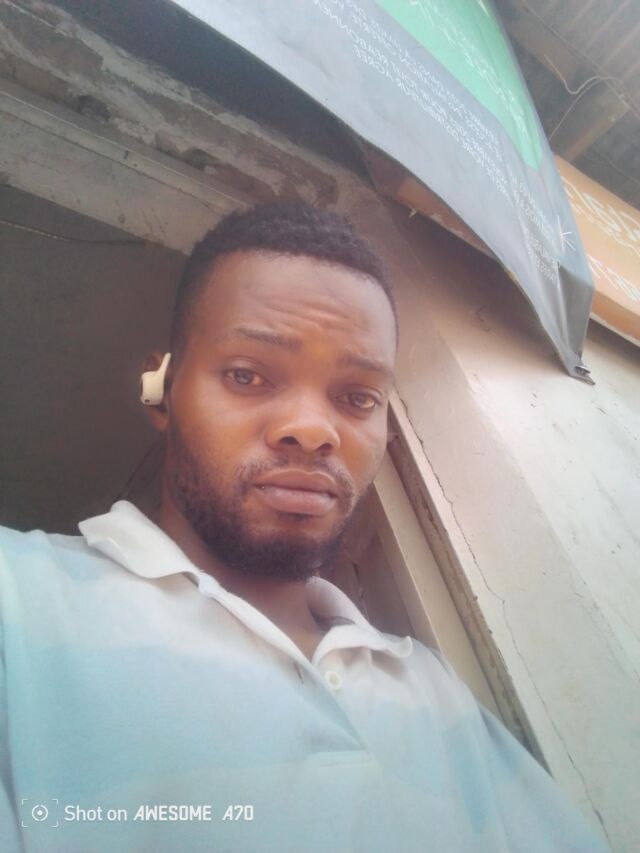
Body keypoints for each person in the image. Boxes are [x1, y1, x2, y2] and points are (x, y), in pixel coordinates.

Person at [0, 202, 608, 852]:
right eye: (247, 375)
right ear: (164, 389)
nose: (313, 430)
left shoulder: (436, 691)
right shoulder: (22, 597)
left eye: (357, 397)